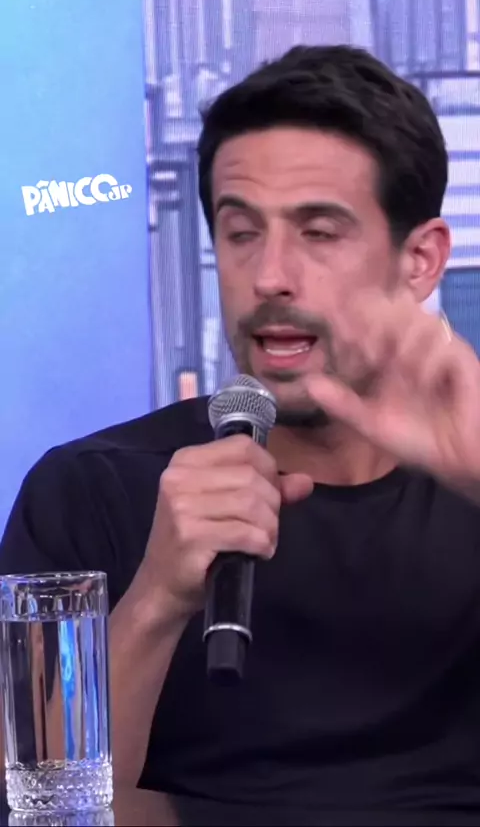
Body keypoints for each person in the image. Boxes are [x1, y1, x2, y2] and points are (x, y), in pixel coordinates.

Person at [2, 43, 480, 821]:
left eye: (319, 232)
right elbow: (39, 807)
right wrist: (157, 597)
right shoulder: (86, 490)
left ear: (421, 259)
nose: (269, 277)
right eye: (241, 232)